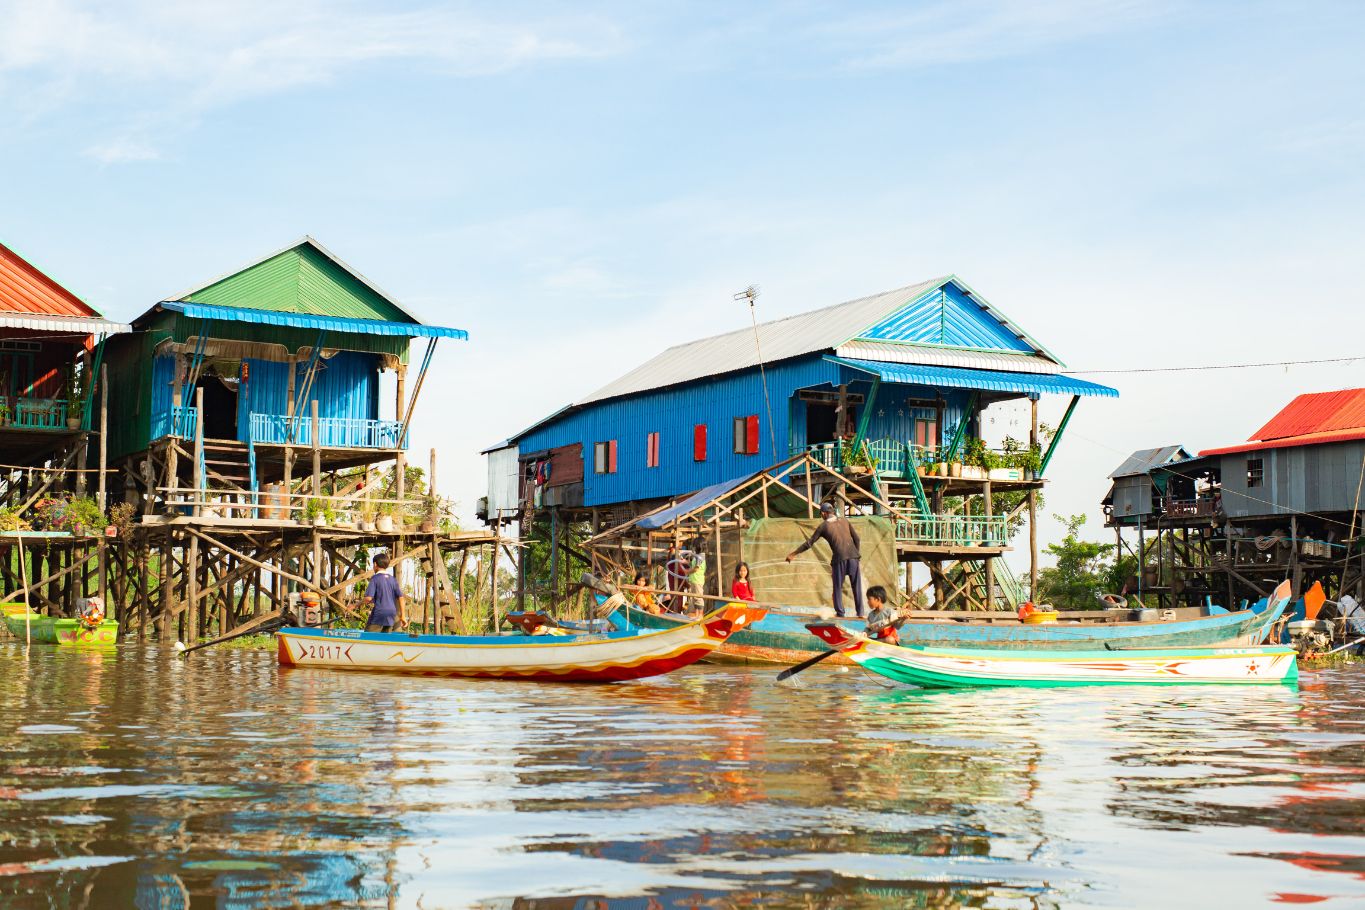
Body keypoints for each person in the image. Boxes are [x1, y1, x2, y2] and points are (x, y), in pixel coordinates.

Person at [786, 501, 865, 617]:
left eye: (821, 515)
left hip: (839, 558)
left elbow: (809, 543)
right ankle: (861, 613)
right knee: (856, 586)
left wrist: (793, 554)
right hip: (854, 557)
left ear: (823, 513)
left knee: (837, 587)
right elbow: (857, 539)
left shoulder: (823, 526)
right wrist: (856, 556)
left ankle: (840, 613)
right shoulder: (844, 520)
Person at [364, 553, 407, 633]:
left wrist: (355, 605)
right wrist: (403, 616)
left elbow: (368, 598)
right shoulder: (393, 579)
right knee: (385, 637)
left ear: (375, 564)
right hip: (391, 613)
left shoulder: (375, 578)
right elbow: (401, 598)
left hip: (379, 613)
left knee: (368, 637)